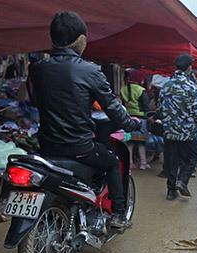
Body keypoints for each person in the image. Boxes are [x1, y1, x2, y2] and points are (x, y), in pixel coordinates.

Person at [30, 11, 140, 228]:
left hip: (47, 146)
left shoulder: (37, 68)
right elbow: (113, 108)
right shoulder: (90, 70)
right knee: (110, 160)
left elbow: (36, 100)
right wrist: (132, 124)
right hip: (78, 147)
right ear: (81, 39)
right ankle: (118, 215)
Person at [158, 53, 197, 200]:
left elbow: (160, 109)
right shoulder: (192, 87)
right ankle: (182, 181)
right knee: (191, 158)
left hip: (169, 132)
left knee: (171, 160)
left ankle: (170, 191)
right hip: (187, 133)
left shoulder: (166, 86)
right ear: (189, 68)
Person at [121, 69, 150, 170]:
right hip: (141, 119)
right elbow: (146, 106)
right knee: (141, 143)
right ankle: (143, 163)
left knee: (130, 142)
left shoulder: (123, 89)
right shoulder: (140, 90)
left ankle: (129, 163)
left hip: (128, 118)